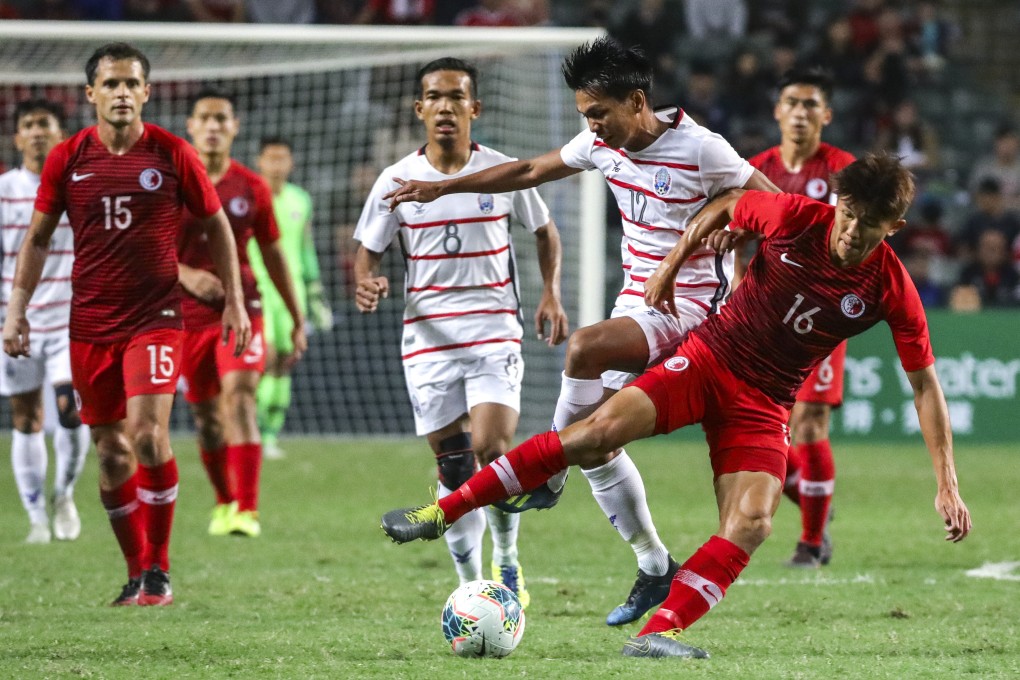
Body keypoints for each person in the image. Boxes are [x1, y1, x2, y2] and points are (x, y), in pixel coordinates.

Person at [381, 153, 972, 658]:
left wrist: (946, 482)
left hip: (764, 403)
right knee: (596, 432)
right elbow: (731, 202)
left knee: (753, 522)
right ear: (836, 203)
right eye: (847, 215)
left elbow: (925, 385)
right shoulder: (795, 216)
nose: (849, 232)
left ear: (893, 226)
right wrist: (675, 259)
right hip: (711, 359)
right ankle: (443, 512)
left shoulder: (891, 285)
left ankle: (658, 631)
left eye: (867, 226)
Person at [382, 36, 779, 626]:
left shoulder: (702, 148)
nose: (591, 127)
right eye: (584, 116)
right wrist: (444, 187)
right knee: (598, 440)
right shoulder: (601, 145)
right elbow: (527, 170)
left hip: (696, 312)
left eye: (599, 114)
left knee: (585, 347)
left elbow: (778, 205)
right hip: (639, 302)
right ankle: (653, 564)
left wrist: (732, 219)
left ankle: (547, 472)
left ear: (636, 100)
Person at [2, 43, 250, 606]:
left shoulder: (171, 153)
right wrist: (16, 308)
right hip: (89, 322)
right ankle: (136, 571)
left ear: (146, 91)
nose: (120, 93)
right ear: (90, 94)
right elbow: (37, 239)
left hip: (155, 318)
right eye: (109, 84)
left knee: (146, 435)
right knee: (111, 452)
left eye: (130, 83)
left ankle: (160, 570)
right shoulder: (69, 158)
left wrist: (233, 299)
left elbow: (216, 227)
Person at [354, 57, 569, 606]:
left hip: (494, 331)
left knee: (495, 451)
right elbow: (367, 252)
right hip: (427, 341)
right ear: (419, 108)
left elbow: (545, 232)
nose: (445, 106)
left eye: (456, 97)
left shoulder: (503, 171)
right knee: (453, 468)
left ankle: (509, 563)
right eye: (435, 96)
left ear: (474, 107)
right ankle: (471, 584)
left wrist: (550, 293)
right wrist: (365, 281)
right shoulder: (395, 180)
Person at [177, 88, 306, 538]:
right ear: (190, 126)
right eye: (205, 119)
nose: (213, 127)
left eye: (222, 119)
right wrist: (185, 274)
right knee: (208, 418)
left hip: (243, 307)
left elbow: (273, 255)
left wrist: (294, 315)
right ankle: (223, 500)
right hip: (187, 313)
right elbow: (146, 250)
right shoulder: (172, 180)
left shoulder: (250, 186)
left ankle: (247, 511)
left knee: (241, 396)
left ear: (235, 127)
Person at [747, 67, 856, 568]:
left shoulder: (842, 171)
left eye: (811, 104)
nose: (800, 112)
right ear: (776, 110)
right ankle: (817, 505)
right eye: (792, 101)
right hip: (764, 317)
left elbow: (848, 242)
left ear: (826, 116)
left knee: (811, 424)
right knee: (763, 427)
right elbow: (733, 229)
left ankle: (812, 542)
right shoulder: (755, 167)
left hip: (819, 315)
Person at [0, 99, 90, 544]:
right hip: (18, 321)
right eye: (28, 124)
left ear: (60, 135)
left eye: (45, 124)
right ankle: (35, 515)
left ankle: (65, 493)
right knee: (26, 417)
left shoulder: (78, 187)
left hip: (71, 321)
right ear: (17, 137)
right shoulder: (4, 192)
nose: (37, 132)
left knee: (72, 412)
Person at [251, 137, 331, 460]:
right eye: (270, 158)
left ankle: (269, 434)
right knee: (266, 358)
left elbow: (305, 247)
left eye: (282, 158)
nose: (276, 165)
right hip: (257, 288)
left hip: (292, 290)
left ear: (291, 163)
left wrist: (314, 292)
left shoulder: (301, 200)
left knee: (285, 362)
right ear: (260, 161)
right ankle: (252, 433)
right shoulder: (250, 194)